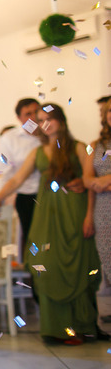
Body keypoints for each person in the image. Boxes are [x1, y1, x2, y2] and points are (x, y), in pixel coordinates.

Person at [0, 103, 101, 345]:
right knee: (43, 264)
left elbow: (90, 182)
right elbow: (16, 179)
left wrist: (89, 215)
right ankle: (56, 328)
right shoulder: (38, 152)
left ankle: (81, 328)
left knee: (78, 266)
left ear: (61, 120)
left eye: (49, 118)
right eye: (41, 120)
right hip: (47, 214)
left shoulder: (79, 147)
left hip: (74, 211)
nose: (45, 124)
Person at [0, 98, 45, 257]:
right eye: (28, 114)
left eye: (36, 112)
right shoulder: (10, 139)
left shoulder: (50, 133)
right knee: (34, 243)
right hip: (27, 196)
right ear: (19, 118)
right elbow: (2, 172)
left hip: (51, 195)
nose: (33, 117)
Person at [84, 99, 111, 322]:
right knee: (107, 258)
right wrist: (88, 216)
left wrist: (105, 180)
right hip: (102, 209)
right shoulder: (94, 144)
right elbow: (87, 179)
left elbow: (98, 181)